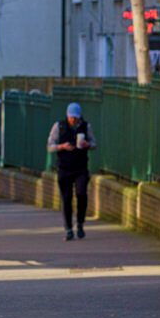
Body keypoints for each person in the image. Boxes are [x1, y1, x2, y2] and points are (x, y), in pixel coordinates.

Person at [46, 102, 97, 240]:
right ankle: (68, 228)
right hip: (64, 168)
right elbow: (49, 146)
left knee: (81, 194)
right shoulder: (59, 127)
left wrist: (87, 145)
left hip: (80, 168)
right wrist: (61, 146)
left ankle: (80, 223)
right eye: (71, 117)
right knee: (66, 198)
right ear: (67, 116)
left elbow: (94, 144)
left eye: (76, 117)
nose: (73, 120)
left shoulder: (86, 127)